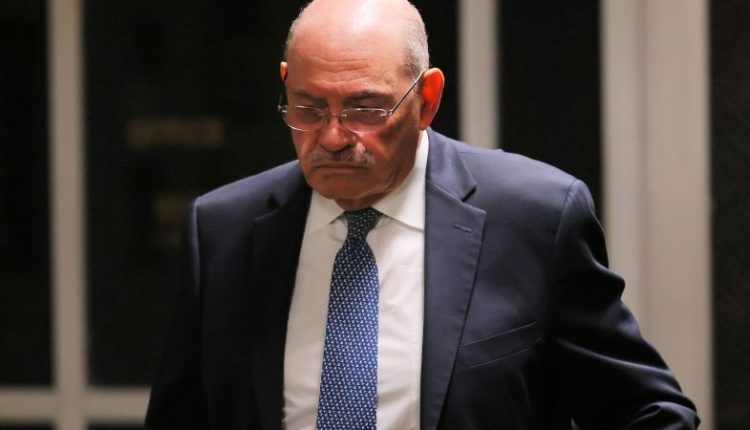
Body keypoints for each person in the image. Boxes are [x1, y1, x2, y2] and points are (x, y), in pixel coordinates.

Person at [145, 0, 699, 428]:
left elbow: (650, 413)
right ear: (286, 82)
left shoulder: (534, 218)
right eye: (309, 108)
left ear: (426, 100)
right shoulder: (223, 231)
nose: (332, 136)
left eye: (365, 108)